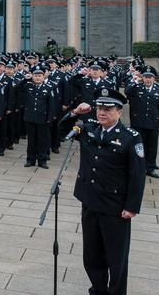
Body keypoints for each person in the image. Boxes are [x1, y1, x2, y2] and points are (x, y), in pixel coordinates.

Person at [60, 88, 145, 295]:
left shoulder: (130, 137)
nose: (102, 112)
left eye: (108, 108)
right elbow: (61, 131)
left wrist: (131, 207)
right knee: (92, 254)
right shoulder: (89, 128)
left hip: (115, 207)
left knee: (116, 257)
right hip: (90, 200)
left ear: (119, 111)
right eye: (99, 108)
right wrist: (75, 113)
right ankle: (97, 290)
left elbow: (137, 175)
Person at [18, 65, 55, 168]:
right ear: (32, 77)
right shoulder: (28, 86)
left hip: (42, 119)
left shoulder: (48, 88)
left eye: (39, 76)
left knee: (42, 141)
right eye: (35, 75)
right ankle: (30, 159)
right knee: (31, 141)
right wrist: (25, 80)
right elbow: (17, 88)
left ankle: (42, 160)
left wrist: (50, 118)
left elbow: (51, 105)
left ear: (43, 77)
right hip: (30, 117)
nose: (37, 77)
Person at [124, 65, 159, 178]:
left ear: (154, 78)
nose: (148, 79)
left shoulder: (157, 89)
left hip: (153, 123)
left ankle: (150, 167)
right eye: (145, 77)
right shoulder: (136, 87)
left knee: (152, 147)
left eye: (150, 77)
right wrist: (134, 80)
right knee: (139, 146)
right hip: (138, 123)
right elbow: (127, 92)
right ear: (142, 77)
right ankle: (139, 166)